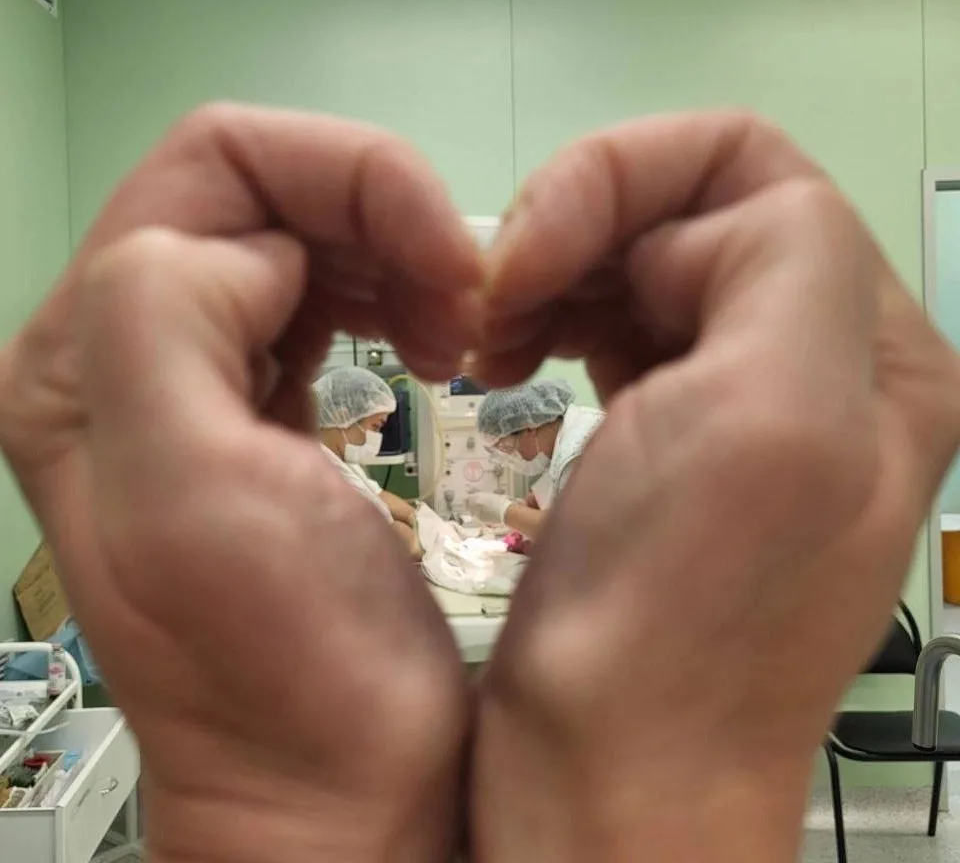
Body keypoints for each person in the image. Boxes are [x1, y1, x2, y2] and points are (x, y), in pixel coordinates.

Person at [1, 102, 959, 863]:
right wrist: (668, 796)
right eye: (366, 421)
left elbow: (522, 528)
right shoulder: (339, 471)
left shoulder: (587, 448)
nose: (373, 430)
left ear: (532, 422)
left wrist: (279, 810)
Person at [464, 378, 604, 539]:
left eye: (506, 448)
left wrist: (505, 511)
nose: (509, 457)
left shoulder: (580, 449)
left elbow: (569, 530)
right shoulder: (563, 438)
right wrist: (525, 508)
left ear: (529, 428)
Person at [313, 365, 420, 557]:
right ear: (342, 416)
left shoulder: (341, 458)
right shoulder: (319, 471)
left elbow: (378, 494)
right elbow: (394, 541)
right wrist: (427, 540)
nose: (377, 437)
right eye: (376, 426)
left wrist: (415, 517)